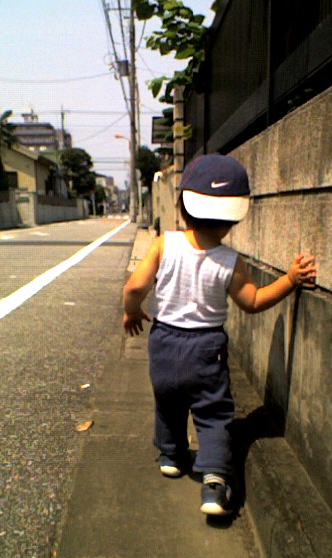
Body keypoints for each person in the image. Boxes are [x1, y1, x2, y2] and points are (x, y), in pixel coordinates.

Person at [123, 154, 316, 517]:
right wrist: (290, 280)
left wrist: (132, 311)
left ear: (182, 204)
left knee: (168, 400)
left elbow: (135, 287)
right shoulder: (231, 261)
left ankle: (171, 455)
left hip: (164, 342)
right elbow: (254, 302)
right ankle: (214, 483)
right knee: (213, 414)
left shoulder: (164, 244)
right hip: (206, 347)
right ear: (234, 216)